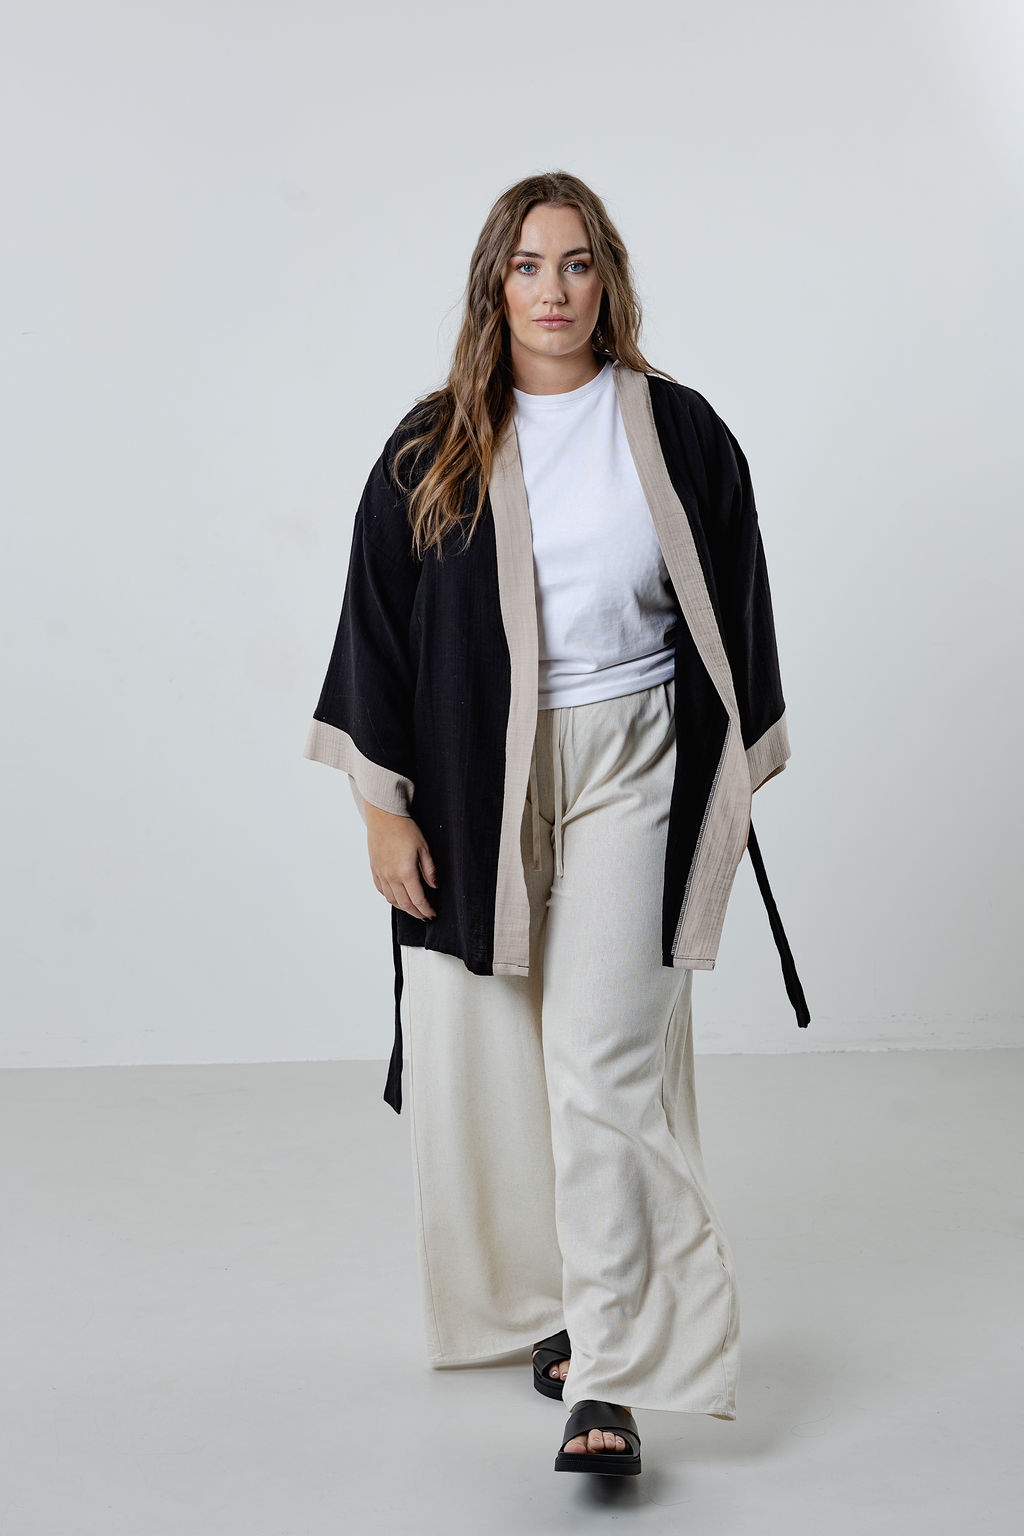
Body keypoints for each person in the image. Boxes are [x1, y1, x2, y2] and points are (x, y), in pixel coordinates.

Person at [303, 170, 808, 1477]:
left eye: (576, 263)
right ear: (494, 286)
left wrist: (728, 781)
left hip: (634, 762)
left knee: (602, 1060)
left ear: (608, 280)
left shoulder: (679, 432)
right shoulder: (433, 446)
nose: (553, 290)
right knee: (492, 1058)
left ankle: (612, 1373)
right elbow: (377, 632)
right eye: (527, 265)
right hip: (482, 775)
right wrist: (381, 814)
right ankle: (559, 1303)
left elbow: (737, 607)